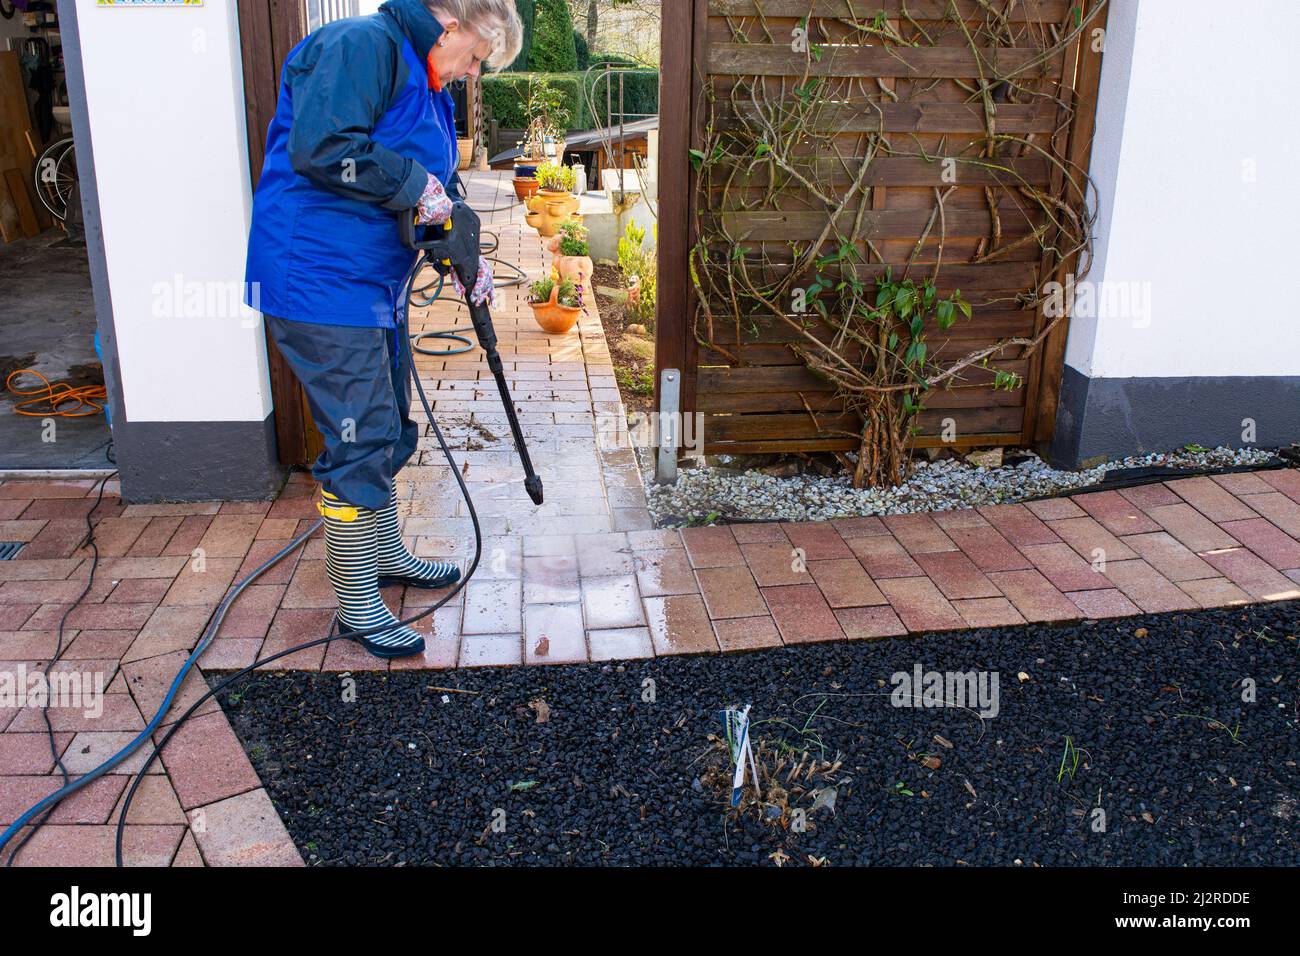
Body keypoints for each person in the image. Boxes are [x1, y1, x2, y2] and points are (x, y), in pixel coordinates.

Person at [244, 0, 523, 659]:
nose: (468, 74)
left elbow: (435, 185)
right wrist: (415, 186)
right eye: (476, 58)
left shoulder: (427, 85)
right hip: (318, 277)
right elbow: (324, 149)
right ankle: (358, 602)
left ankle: (386, 553)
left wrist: (462, 253)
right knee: (359, 434)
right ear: (451, 24)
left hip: (373, 284)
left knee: (388, 422)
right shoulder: (361, 44)